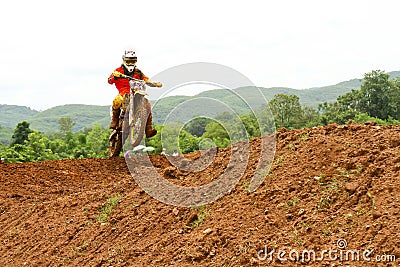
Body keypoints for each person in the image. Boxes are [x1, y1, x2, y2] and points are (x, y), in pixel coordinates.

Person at [108, 50, 161, 138]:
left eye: (132, 61)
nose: (130, 63)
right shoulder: (118, 70)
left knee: (147, 104)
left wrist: (154, 83)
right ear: (124, 60)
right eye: (128, 61)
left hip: (136, 91)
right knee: (117, 100)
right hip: (123, 92)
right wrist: (114, 77)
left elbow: (145, 78)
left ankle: (148, 129)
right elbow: (110, 80)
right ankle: (114, 120)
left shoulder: (138, 72)